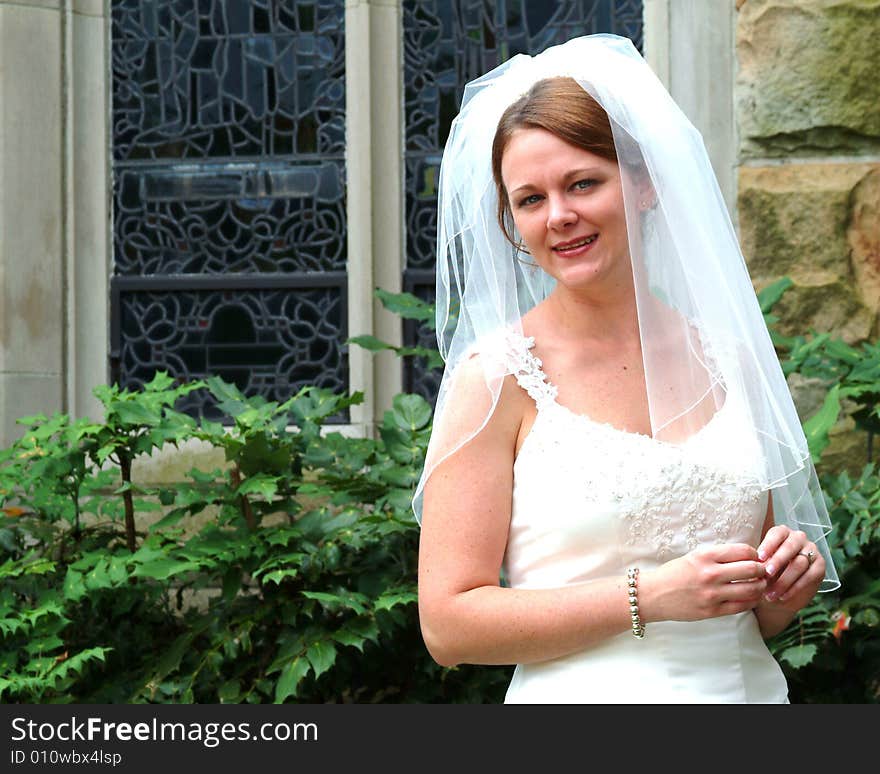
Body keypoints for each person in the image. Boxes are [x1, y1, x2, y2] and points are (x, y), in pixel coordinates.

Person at [414, 35, 839, 703]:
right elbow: (448, 623)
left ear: (643, 185)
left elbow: (754, 606)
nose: (559, 215)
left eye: (583, 182)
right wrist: (647, 596)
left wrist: (788, 585)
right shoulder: (498, 378)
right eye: (530, 199)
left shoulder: (728, 360)